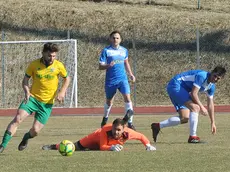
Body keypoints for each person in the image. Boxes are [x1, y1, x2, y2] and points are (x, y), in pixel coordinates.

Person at [0, 42, 71, 153]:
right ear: (43, 53)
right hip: (32, 99)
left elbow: (67, 79)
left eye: (54, 56)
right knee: (18, 118)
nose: (51, 58)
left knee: (35, 131)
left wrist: (62, 92)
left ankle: (26, 138)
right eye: (49, 55)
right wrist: (27, 91)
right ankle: (2, 146)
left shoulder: (59, 66)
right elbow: (25, 81)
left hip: (47, 104)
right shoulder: (34, 65)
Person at [151, 66, 226, 143]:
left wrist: (212, 122)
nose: (215, 79)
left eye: (218, 78)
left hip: (183, 90)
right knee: (196, 108)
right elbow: (194, 94)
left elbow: (210, 104)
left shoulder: (211, 86)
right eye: (215, 76)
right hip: (176, 85)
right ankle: (193, 137)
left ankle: (157, 126)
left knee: (184, 118)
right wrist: (202, 107)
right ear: (212, 72)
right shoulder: (202, 76)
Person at [42, 117, 156, 152]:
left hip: (104, 145)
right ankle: (54, 146)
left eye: (118, 130)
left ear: (123, 129)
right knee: (74, 147)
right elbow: (102, 147)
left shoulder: (127, 132)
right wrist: (111, 147)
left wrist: (148, 145)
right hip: (93, 139)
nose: (115, 132)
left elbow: (141, 136)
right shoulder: (105, 130)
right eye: (114, 129)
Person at [99, 30, 136, 130]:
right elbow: (100, 66)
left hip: (122, 79)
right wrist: (108, 65)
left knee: (128, 98)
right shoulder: (106, 51)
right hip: (111, 80)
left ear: (120, 40)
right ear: (110, 39)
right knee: (109, 102)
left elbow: (126, 63)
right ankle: (105, 118)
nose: (115, 39)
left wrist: (131, 74)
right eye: (114, 37)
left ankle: (130, 123)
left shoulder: (124, 50)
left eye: (117, 38)